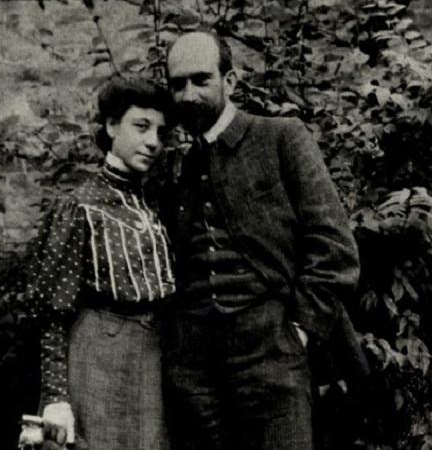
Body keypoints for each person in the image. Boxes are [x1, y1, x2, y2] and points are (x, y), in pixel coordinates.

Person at [160, 31, 365, 450]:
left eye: (201, 80)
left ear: (230, 81)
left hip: (271, 351)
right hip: (194, 367)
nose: (188, 94)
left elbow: (335, 248)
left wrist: (301, 331)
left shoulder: (280, 138)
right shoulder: (171, 166)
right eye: (178, 84)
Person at [24, 76, 176, 449]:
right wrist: (57, 397)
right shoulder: (79, 206)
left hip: (151, 359)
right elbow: (51, 313)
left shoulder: (154, 204)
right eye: (140, 127)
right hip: (96, 355)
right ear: (110, 126)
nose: (153, 141)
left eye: (160, 131)